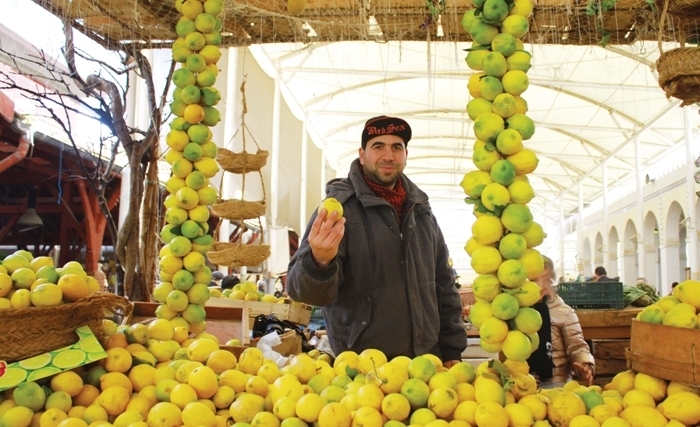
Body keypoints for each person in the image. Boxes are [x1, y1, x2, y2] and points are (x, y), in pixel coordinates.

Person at [286, 115, 467, 366]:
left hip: (427, 364)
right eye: (378, 146)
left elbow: (444, 286)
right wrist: (319, 261)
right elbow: (300, 291)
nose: (388, 155)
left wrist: (451, 351)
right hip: (362, 366)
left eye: (397, 147)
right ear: (362, 154)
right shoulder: (339, 210)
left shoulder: (422, 212)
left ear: (405, 155)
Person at [528, 255, 595, 387]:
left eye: (537, 280)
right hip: (524, 382)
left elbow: (577, 347)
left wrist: (585, 365)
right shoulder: (519, 312)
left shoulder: (564, 312)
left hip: (556, 381)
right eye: (530, 280)